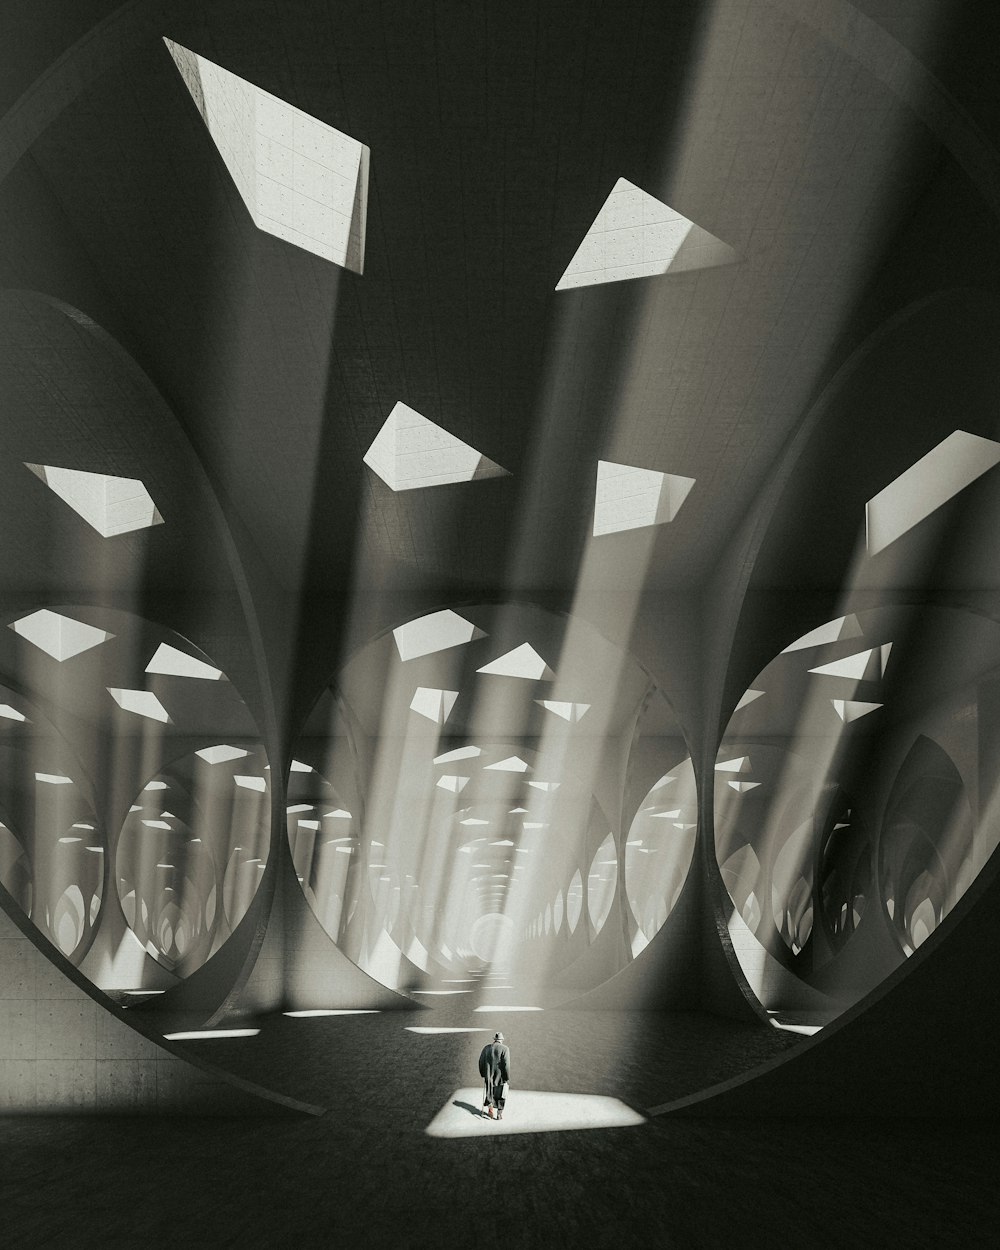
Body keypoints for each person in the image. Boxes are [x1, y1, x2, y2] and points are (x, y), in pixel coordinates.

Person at [478, 1031, 511, 1120]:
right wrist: (507, 1077)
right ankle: (499, 1114)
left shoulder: (486, 1048)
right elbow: (506, 1064)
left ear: (494, 1039)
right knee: (501, 1095)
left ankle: (490, 1107)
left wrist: (483, 1073)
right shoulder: (505, 1049)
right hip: (500, 1077)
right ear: (501, 1040)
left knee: (490, 1093)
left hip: (488, 1076)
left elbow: (481, 1061)